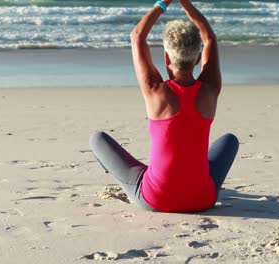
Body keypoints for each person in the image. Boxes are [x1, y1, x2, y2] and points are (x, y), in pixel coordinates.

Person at [89, 0, 239, 212]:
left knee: (97, 138)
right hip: (203, 199)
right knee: (230, 141)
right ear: (197, 59)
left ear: (166, 57)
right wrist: (185, 2)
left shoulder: (154, 90)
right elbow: (209, 37)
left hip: (155, 199)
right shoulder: (210, 89)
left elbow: (137, 36)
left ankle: (138, 184)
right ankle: (189, 182)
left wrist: (163, 3)